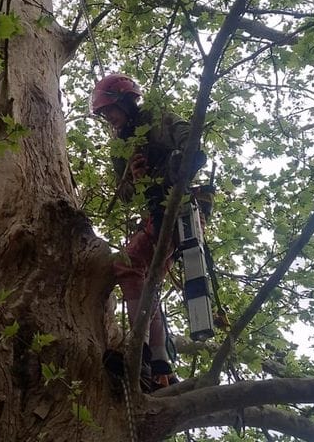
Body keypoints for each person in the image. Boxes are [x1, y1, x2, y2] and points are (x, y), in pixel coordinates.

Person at [92, 73, 204, 391]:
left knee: (128, 264)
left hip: (179, 208)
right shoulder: (121, 148)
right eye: (104, 115)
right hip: (155, 212)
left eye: (110, 111)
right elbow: (126, 194)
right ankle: (158, 365)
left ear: (125, 100)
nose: (109, 119)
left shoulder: (158, 118)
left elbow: (190, 140)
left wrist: (180, 160)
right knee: (135, 274)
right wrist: (134, 176)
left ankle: (145, 355)